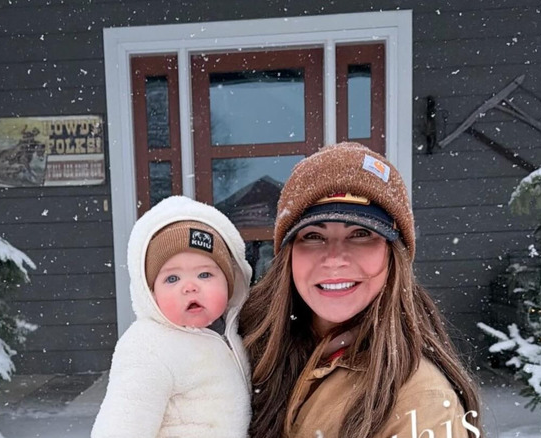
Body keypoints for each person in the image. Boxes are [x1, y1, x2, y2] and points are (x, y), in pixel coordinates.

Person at [240, 142, 482, 438]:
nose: (334, 259)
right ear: (287, 256)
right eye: (313, 236)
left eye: (361, 234)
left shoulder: (422, 402)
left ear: (394, 255)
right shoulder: (244, 345)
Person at [91, 195, 253, 438]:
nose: (190, 287)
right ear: (151, 293)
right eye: (172, 278)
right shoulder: (148, 346)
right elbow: (122, 426)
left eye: (205, 275)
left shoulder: (236, 332)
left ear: (230, 283)